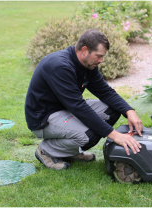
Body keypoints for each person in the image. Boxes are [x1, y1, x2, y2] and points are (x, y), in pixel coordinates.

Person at [25, 29, 143, 170]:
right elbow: (78, 107)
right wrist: (115, 135)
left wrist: (129, 111)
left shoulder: (88, 65)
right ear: (84, 50)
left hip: (66, 108)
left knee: (113, 110)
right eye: (99, 56)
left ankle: (70, 152)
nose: (101, 61)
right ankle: (46, 151)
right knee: (90, 135)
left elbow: (105, 92)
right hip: (43, 118)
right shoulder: (60, 66)